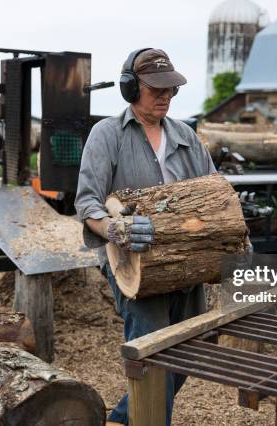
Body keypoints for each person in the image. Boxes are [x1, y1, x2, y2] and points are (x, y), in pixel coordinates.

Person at [74, 48, 216, 425]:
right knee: (153, 357)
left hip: (183, 263)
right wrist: (114, 229)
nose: (165, 97)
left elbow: (214, 191)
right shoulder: (107, 135)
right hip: (133, 265)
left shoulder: (186, 136)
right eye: (156, 90)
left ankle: (122, 418)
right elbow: (87, 203)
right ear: (130, 89)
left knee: (191, 351)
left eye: (170, 90)